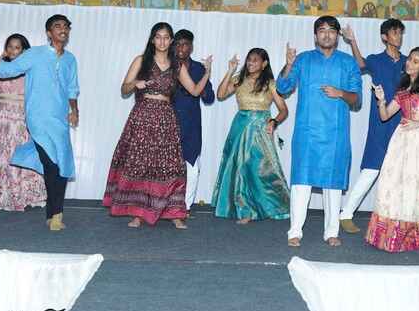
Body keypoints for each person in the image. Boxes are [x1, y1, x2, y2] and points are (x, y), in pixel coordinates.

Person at [104, 22, 212, 228]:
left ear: (171, 41)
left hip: (166, 119)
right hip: (143, 116)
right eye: (158, 37)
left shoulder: (177, 65)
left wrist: (207, 72)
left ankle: (175, 213)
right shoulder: (141, 60)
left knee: (170, 166)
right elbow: (124, 89)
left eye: (166, 37)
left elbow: (195, 91)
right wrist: (135, 84)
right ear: (153, 39)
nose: (162, 41)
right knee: (141, 164)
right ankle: (138, 214)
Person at [0, 15, 80, 231]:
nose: (63, 29)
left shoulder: (70, 59)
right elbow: (5, 71)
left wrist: (75, 110)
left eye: (66, 26)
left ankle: (52, 213)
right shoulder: (35, 54)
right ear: (49, 33)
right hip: (38, 119)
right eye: (57, 26)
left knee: (61, 165)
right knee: (51, 164)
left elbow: (72, 88)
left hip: (60, 120)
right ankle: (57, 214)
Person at [276, 15, 361, 247]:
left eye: (331, 31)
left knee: (333, 184)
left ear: (337, 36)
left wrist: (340, 93)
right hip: (307, 133)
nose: (326, 35)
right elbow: (282, 87)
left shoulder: (348, 62)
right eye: (322, 30)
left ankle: (332, 232)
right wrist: (289, 64)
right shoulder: (303, 60)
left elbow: (357, 99)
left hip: (335, 134)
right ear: (315, 36)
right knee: (301, 182)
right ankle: (295, 231)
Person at [365, 47, 419, 252]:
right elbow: (385, 115)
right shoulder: (403, 88)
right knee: (393, 183)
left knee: (416, 186)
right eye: (410, 59)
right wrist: (381, 100)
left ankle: (412, 235)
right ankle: (389, 234)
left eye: (416, 61)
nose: (409, 63)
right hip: (401, 139)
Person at [337, 18, 407, 233]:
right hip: (380, 121)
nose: (398, 37)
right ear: (385, 37)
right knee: (371, 169)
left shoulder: (408, 62)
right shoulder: (376, 60)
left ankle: (395, 219)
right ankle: (345, 214)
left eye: (400, 33)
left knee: (400, 173)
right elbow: (360, 65)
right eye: (394, 33)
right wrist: (352, 41)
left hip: (404, 122)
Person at [212, 48, 290, 223]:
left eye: (255, 60)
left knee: (261, 170)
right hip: (240, 127)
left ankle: (272, 206)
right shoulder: (239, 79)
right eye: (249, 60)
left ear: (264, 64)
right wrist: (230, 70)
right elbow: (220, 95)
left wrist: (274, 121)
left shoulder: (270, 83)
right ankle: (245, 210)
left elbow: (284, 110)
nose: (250, 63)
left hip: (260, 130)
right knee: (240, 167)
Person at [0, 33, 47, 211]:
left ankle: (23, 194)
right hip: (0, 119)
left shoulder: (30, 70)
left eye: (17, 47)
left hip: (21, 118)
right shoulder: (0, 67)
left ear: (24, 51)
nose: (13, 50)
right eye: (10, 47)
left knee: (19, 155)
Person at [171, 29, 215, 211]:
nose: (181, 48)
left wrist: (199, 86)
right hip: (168, 121)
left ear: (191, 47)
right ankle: (165, 204)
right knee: (166, 164)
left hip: (191, 123)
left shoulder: (198, 68)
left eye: (185, 44)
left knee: (191, 164)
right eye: (178, 44)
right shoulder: (167, 66)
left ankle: (185, 207)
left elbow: (210, 98)